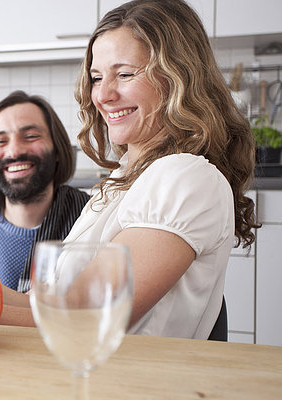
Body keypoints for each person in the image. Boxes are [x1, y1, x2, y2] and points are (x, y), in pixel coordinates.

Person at [61, 0, 259, 339]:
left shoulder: (185, 177)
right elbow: (53, 305)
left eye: (124, 74)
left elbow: (86, 320)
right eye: (96, 77)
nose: (103, 94)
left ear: (178, 77)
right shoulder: (125, 178)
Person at [0, 91, 91, 294]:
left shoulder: (90, 222)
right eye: (0, 141)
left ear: (58, 151)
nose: (14, 151)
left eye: (31, 136)